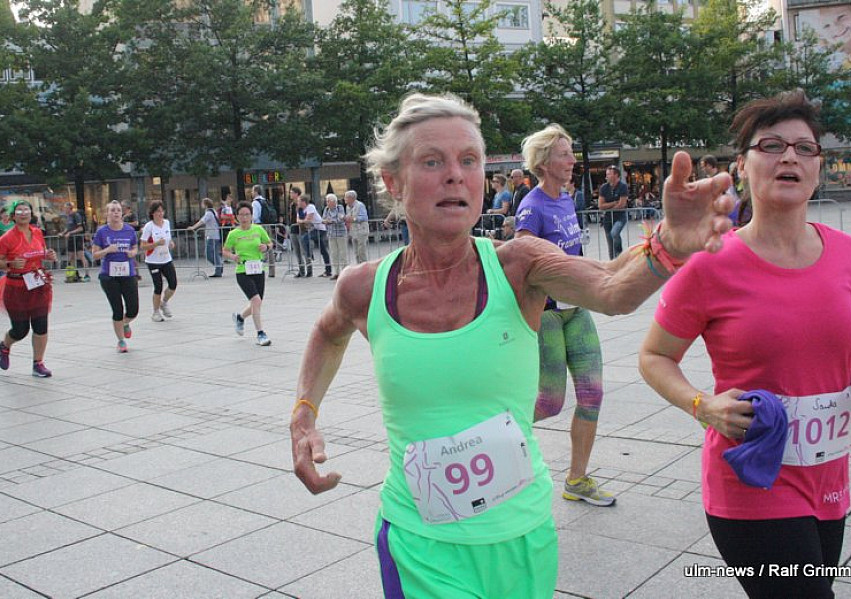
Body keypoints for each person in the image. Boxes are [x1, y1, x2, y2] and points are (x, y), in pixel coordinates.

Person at [289, 92, 733, 598]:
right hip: (419, 544)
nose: (455, 176)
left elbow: (612, 290)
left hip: (524, 537)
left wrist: (670, 244)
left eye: (469, 160)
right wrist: (304, 412)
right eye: (432, 162)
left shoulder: (518, 265)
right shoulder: (364, 287)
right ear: (393, 182)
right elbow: (327, 333)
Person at [638, 90, 851, 599]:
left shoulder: (850, 256)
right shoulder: (710, 262)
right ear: (742, 167)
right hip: (751, 478)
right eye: (771, 146)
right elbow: (654, 356)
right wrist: (701, 405)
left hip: (828, 476)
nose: (789, 157)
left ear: (819, 167)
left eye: (804, 148)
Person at [515, 124, 615, 507]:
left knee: (592, 395)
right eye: (564, 154)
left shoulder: (567, 200)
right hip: (550, 314)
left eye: (571, 153)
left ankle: (577, 480)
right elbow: (522, 256)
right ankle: (494, 435)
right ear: (544, 163)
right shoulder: (532, 206)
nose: (572, 160)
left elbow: (572, 254)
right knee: (549, 403)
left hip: (578, 310)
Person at [0, 200, 58, 377]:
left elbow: (41, 252)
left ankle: (38, 363)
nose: (23, 213)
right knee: (20, 330)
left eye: (26, 210)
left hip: (37, 285)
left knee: (41, 325)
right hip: (16, 288)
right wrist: (10, 263)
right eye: (19, 211)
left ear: (31, 214)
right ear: (13, 216)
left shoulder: (37, 232)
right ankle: (5, 346)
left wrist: (48, 255)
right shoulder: (7, 238)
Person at [91, 201, 139, 353]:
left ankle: (125, 323)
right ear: (107, 213)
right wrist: (107, 250)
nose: (116, 213)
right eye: (112, 210)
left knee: (133, 309)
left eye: (118, 210)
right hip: (109, 276)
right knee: (117, 309)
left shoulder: (129, 230)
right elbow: (95, 255)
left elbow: (135, 247)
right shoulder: (101, 232)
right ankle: (121, 341)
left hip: (128, 273)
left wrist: (133, 253)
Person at [223, 201, 272, 346]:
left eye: (247, 215)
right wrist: (233, 256)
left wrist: (266, 247)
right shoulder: (233, 234)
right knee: (256, 301)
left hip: (258, 269)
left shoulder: (258, 229)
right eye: (241, 215)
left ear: (251, 216)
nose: (244, 218)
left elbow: (269, 243)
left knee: (257, 302)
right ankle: (260, 333)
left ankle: (240, 318)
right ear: (237, 216)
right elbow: (225, 250)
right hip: (243, 271)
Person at [139, 201, 177, 322]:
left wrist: (170, 243)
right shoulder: (149, 227)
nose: (160, 214)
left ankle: (164, 302)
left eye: (162, 211)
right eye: (157, 211)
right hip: (153, 261)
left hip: (166, 259)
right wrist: (156, 244)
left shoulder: (167, 223)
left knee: (173, 284)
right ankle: (155, 312)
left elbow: (168, 238)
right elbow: (143, 246)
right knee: (158, 286)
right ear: (152, 213)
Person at [598, 165, 629, 260]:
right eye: (606, 174)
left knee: (614, 233)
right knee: (610, 243)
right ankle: (612, 261)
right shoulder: (604, 187)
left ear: (616, 175)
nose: (606, 176)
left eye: (609, 174)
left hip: (620, 217)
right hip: (607, 218)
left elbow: (622, 204)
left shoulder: (623, 186)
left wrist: (608, 206)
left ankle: (619, 254)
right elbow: (600, 205)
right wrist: (614, 203)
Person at [187, 197, 224, 277]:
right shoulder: (213, 211)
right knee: (215, 253)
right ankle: (218, 268)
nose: (201, 205)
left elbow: (202, 221)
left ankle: (219, 266)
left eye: (202, 203)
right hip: (215, 235)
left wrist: (193, 227)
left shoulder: (209, 213)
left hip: (211, 235)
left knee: (208, 254)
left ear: (206, 204)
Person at [298, 194, 331, 278]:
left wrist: (303, 221)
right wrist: (303, 221)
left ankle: (309, 255)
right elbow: (298, 220)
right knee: (323, 250)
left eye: (299, 201)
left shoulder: (310, 207)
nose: (298, 203)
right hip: (314, 229)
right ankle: (328, 270)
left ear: (303, 202)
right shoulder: (300, 210)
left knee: (306, 238)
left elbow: (308, 220)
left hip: (320, 228)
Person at [61, 201, 90, 282]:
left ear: (69, 208)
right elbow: (68, 227)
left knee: (81, 256)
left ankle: (87, 275)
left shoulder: (76, 215)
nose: (64, 209)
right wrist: (63, 233)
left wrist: (70, 233)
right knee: (71, 257)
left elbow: (80, 228)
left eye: (65, 208)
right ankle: (74, 275)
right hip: (70, 239)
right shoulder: (68, 217)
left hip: (77, 238)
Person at [322, 193, 348, 280]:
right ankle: (336, 272)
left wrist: (331, 221)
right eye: (327, 201)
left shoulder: (340, 208)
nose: (327, 203)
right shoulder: (326, 209)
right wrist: (327, 221)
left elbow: (341, 219)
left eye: (328, 201)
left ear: (333, 201)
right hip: (331, 234)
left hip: (341, 234)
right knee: (334, 254)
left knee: (343, 253)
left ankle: (344, 272)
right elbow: (323, 219)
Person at [344, 190, 369, 264]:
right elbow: (349, 217)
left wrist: (354, 219)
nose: (344, 199)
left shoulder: (360, 205)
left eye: (346, 197)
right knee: (356, 252)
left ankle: (364, 266)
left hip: (361, 231)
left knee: (361, 252)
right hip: (353, 232)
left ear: (351, 198)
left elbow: (364, 217)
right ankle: (359, 266)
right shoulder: (347, 207)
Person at [289, 188, 310, 278]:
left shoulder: (302, 204)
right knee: (297, 252)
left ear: (297, 194)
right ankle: (301, 270)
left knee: (304, 251)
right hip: (293, 229)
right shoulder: (292, 204)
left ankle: (309, 270)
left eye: (292, 193)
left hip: (301, 230)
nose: (290, 194)